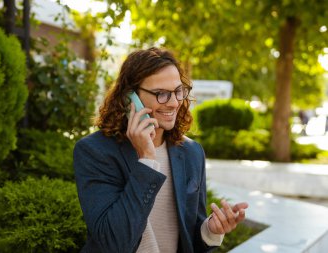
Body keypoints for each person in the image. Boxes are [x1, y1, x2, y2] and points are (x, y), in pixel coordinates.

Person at [73, 47, 249, 253]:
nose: (174, 102)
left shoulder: (192, 152)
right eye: (161, 94)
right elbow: (114, 242)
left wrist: (211, 231)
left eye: (178, 91)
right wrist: (147, 160)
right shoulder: (94, 152)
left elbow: (189, 238)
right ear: (130, 97)